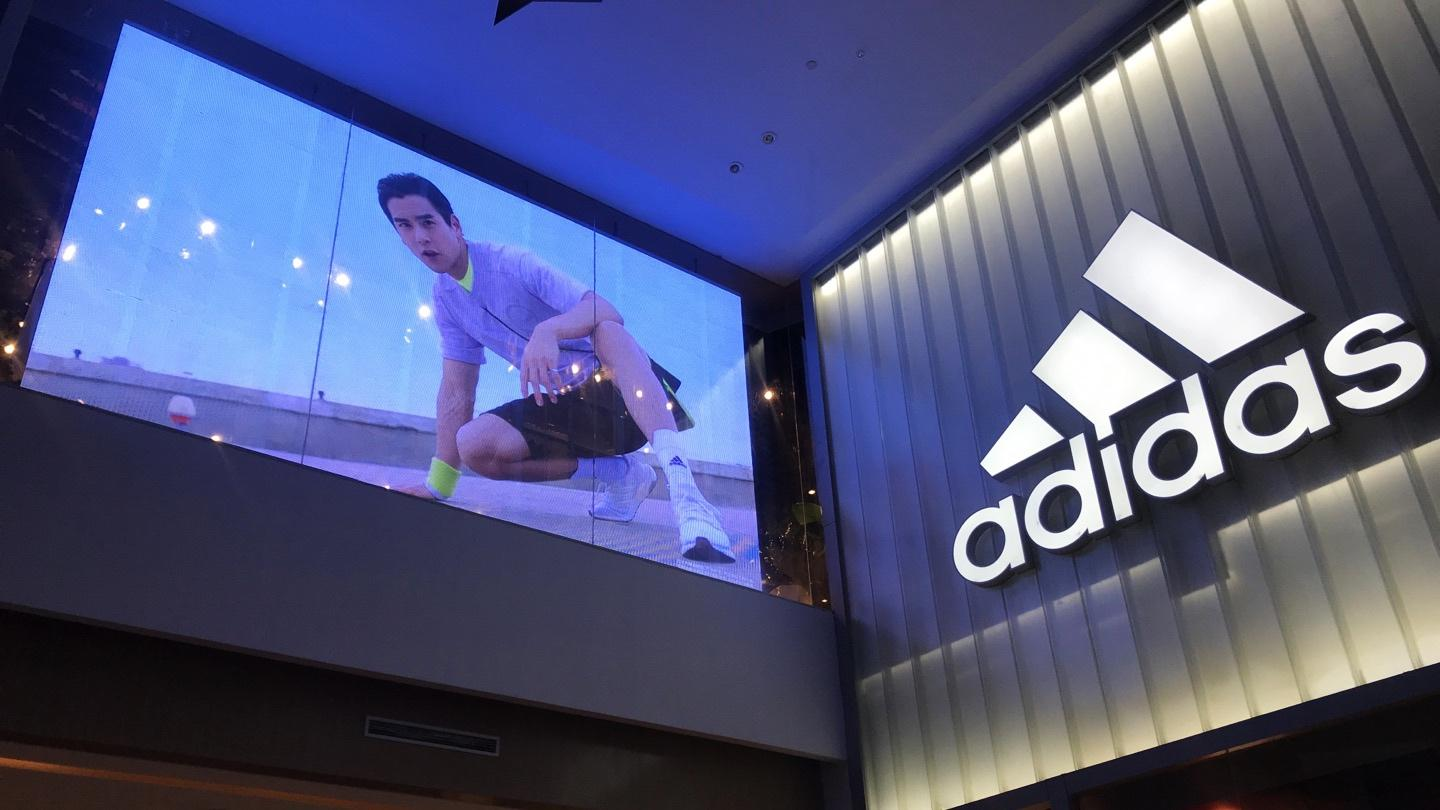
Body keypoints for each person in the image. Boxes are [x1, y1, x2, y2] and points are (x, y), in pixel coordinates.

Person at [379, 173, 734, 563]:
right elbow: (455, 389)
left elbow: (604, 308)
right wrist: (440, 483)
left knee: (609, 331)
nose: (420, 237)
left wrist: (549, 330)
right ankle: (623, 475)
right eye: (405, 226)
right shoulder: (446, 300)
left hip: (624, 402)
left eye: (427, 222)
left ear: (455, 224)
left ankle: (688, 495)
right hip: (562, 410)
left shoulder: (510, 263)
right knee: (475, 446)